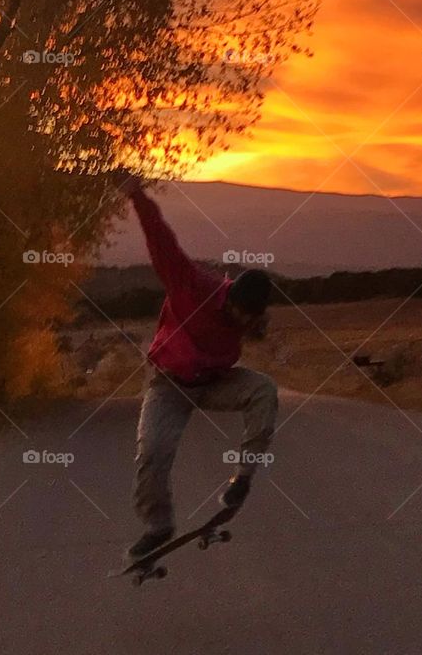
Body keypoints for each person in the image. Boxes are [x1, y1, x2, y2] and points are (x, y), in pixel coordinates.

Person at [121, 175, 278, 559]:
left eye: (251, 320)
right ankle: (158, 526)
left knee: (264, 390)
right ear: (230, 299)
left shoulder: (252, 318)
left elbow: (252, 327)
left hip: (215, 382)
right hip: (169, 385)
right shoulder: (191, 285)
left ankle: (241, 478)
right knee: (154, 451)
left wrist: (254, 327)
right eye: (240, 316)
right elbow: (162, 240)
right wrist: (137, 195)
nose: (243, 325)